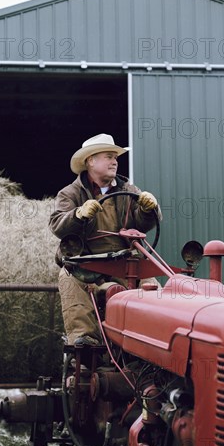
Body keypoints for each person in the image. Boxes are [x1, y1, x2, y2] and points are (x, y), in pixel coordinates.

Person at [49, 133, 161, 346]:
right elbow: (57, 225)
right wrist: (78, 215)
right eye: (109, 156)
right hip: (87, 265)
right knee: (67, 276)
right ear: (91, 161)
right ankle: (84, 341)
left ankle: (154, 341)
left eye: (116, 157)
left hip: (125, 262)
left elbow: (143, 223)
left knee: (151, 284)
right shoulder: (70, 193)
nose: (115, 161)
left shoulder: (129, 190)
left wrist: (149, 209)